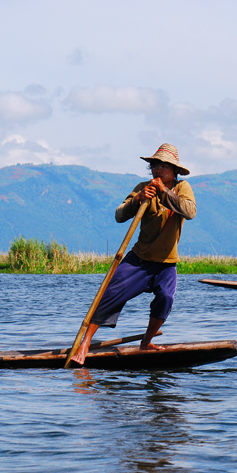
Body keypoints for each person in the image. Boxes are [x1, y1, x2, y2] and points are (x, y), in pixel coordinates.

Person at [71, 143, 196, 365]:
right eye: (155, 166)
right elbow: (120, 215)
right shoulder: (142, 187)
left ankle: (147, 341)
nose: (158, 170)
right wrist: (138, 199)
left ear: (174, 171)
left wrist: (164, 192)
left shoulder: (181, 188)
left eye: (164, 167)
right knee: (110, 294)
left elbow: (189, 212)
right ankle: (85, 344)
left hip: (166, 264)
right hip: (139, 260)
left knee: (165, 299)